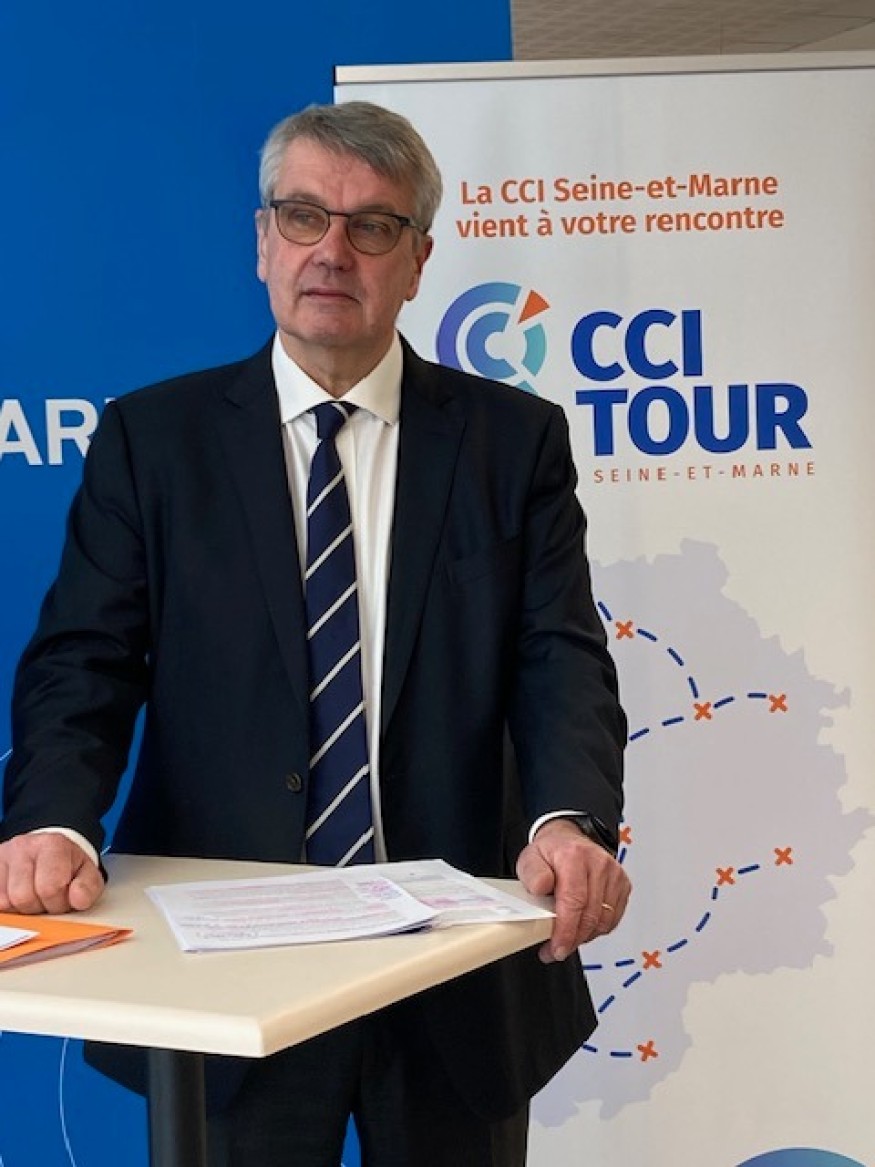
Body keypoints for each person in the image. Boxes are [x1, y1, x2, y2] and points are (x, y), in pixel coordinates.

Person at [0, 101, 630, 1166]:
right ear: (262, 242)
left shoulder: (511, 442)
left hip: (449, 962)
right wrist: (55, 821)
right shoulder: (154, 440)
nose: (332, 251)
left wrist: (569, 818)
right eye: (302, 216)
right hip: (223, 965)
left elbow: (556, 654)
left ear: (417, 260)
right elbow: (84, 663)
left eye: (372, 225)